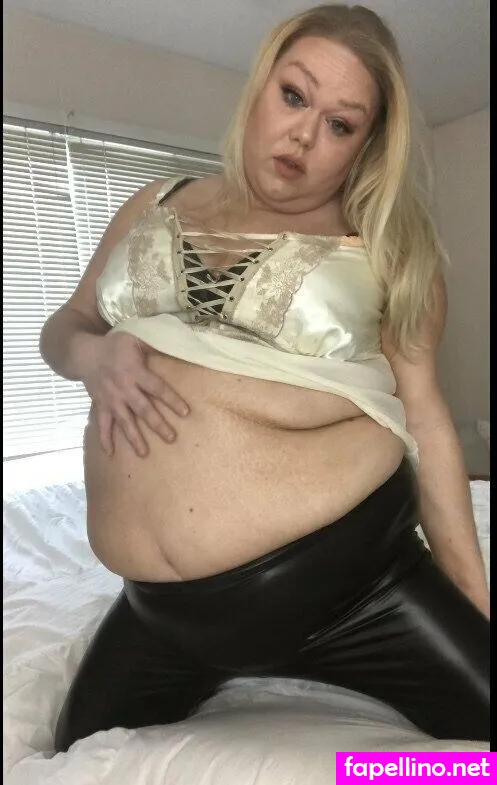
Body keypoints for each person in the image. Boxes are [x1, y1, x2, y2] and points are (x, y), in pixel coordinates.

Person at [40, 4, 489, 751]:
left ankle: (368, 776)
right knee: (73, 753)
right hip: (162, 610)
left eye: (339, 124)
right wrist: (93, 356)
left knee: (481, 755)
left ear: (364, 146)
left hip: (354, 585)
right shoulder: (150, 204)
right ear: (259, 87)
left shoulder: (386, 250)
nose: (304, 135)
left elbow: (428, 421)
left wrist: (475, 603)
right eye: (293, 95)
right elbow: (65, 327)